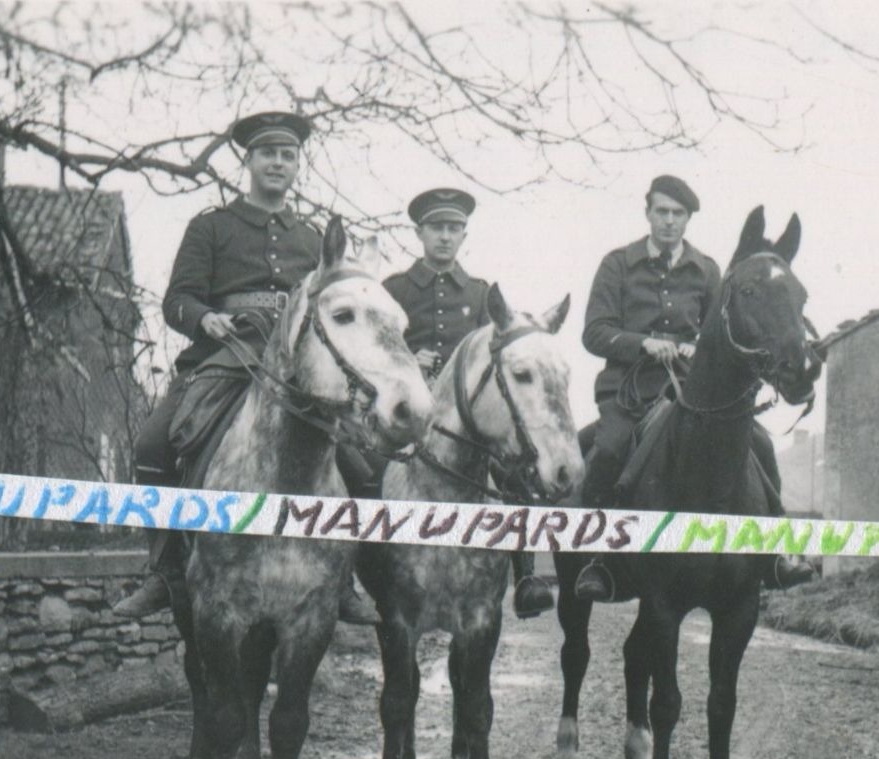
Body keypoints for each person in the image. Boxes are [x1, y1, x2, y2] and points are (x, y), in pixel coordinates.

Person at [113, 110, 377, 623]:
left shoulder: (312, 239)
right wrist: (205, 316)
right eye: (268, 154)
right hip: (224, 359)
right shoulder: (212, 227)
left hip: (297, 377)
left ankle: (343, 580)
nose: (279, 163)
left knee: (363, 470)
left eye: (288, 155)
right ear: (248, 160)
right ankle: (165, 571)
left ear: (297, 164)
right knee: (151, 446)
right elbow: (177, 301)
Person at [571, 174, 816, 602]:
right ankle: (598, 558)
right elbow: (594, 332)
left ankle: (775, 550)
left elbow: (721, 330)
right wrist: (643, 343)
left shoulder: (707, 270)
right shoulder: (617, 264)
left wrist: (693, 348)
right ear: (648, 213)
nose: (669, 221)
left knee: (759, 443)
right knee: (609, 448)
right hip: (630, 390)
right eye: (662, 212)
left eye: (678, 214)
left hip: (691, 389)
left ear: (687, 220)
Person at [378, 189, 554, 618]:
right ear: (419, 233)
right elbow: (377, 350)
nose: (444, 237)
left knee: (512, 472)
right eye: (436, 228)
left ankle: (525, 572)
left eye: (453, 229)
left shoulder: (480, 295)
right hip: (407, 408)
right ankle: (364, 567)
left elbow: (492, 359)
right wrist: (407, 359)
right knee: (365, 470)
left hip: (463, 414)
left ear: (463, 235)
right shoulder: (393, 288)